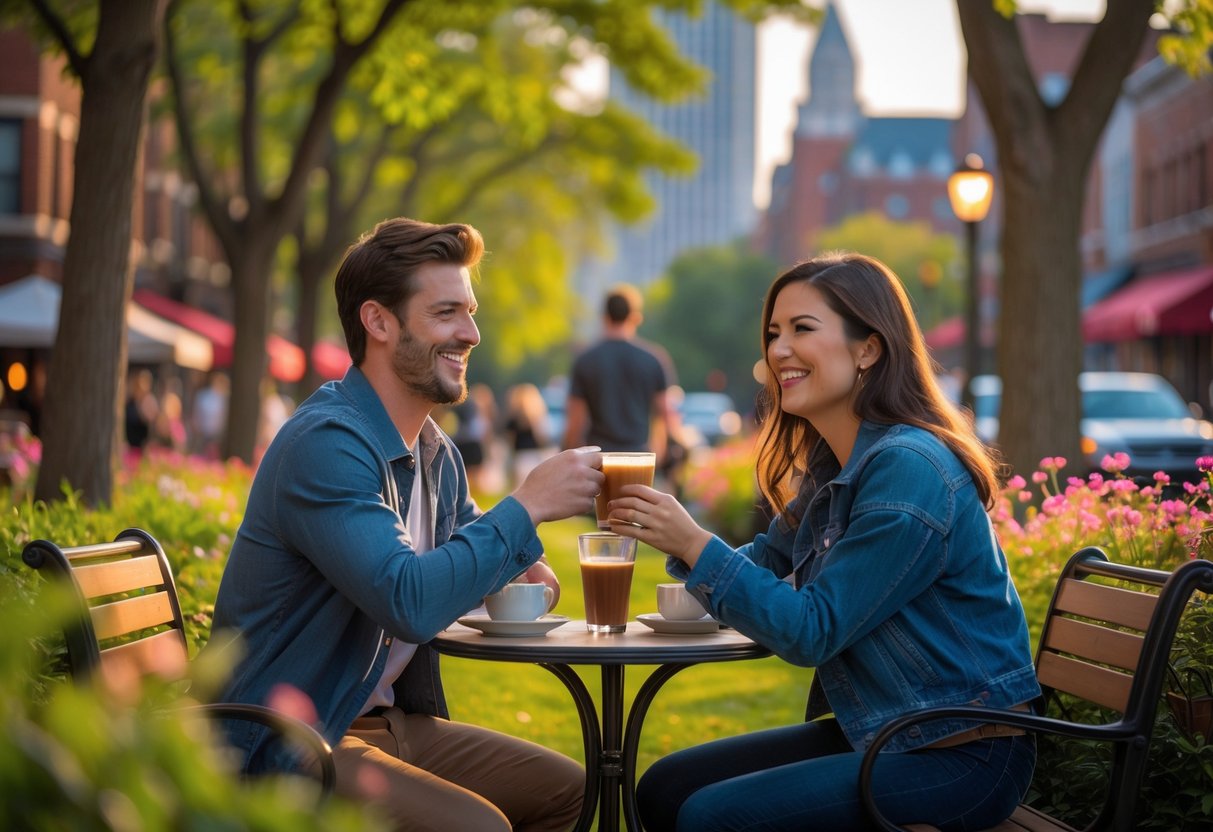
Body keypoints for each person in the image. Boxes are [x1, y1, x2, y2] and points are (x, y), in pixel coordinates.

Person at [605, 253, 1041, 831]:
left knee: (713, 817)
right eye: (773, 333)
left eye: (802, 329)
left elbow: (811, 630)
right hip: (893, 729)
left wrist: (694, 543)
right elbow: (765, 559)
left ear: (869, 348)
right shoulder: (837, 463)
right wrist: (681, 543)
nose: (778, 349)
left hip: (963, 752)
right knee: (666, 787)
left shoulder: (908, 468)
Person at [207, 217, 604, 832]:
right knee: (481, 828)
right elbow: (411, 600)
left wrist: (518, 564)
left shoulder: (432, 452)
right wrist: (526, 507)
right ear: (379, 322)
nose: (471, 333)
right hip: (289, 740)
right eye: (446, 313)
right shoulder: (329, 445)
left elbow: (513, 575)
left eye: (470, 312)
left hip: (383, 724)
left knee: (573, 792)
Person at [562, 284, 679, 462]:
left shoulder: (585, 360)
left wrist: (568, 453)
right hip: (639, 456)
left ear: (605, 317)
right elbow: (665, 414)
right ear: (636, 317)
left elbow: (575, 421)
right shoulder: (653, 359)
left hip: (599, 458)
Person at [502, 382, 555, 487]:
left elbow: (510, 441)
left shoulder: (513, 419)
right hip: (536, 456)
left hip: (520, 457)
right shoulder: (537, 417)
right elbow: (543, 438)